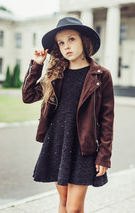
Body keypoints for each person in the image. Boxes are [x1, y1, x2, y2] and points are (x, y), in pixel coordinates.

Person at [22, 16, 114, 213]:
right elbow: (28, 96)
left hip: (84, 147)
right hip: (57, 143)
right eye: (61, 43)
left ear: (83, 40)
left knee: (73, 208)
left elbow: (107, 119)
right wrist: (37, 64)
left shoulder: (101, 75)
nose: (66, 46)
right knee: (63, 202)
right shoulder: (55, 74)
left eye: (71, 39)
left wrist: (104, 156)